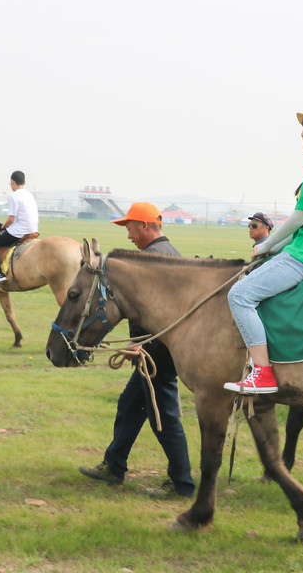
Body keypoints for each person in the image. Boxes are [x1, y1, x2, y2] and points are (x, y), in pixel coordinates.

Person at [224, 103, 303, 394]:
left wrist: (267, 243)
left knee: (240, 294)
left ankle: (262, 373)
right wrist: (274, 247)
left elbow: (299, 217)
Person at [79, 202, 196, 499]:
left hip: (157, 354)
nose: (128, 235)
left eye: (130, 227)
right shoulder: (163, 254)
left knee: (164, 417)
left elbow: (170, 317)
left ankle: (182, 484)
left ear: (144, 226)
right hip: (153, 351)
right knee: (130, 406)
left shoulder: (155, 261)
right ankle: (114, 466)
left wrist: (144, 345)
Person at [0, 170, 39, 287]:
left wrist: (2, 227)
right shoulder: (30, 195)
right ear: (24, 182)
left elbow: (11, 220)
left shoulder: (13, 196)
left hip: (19, 231)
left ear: (12, 182)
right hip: (33, 229)